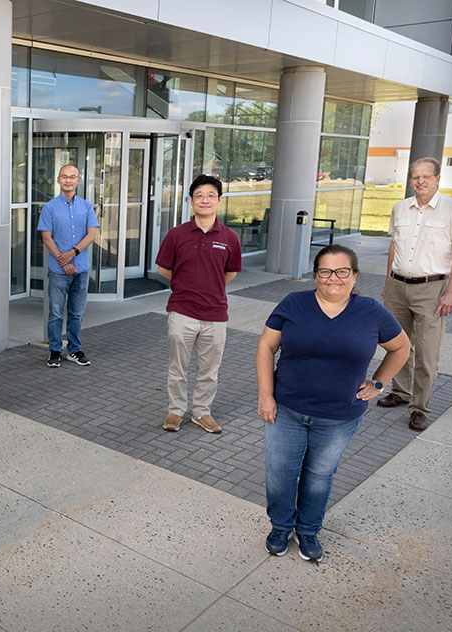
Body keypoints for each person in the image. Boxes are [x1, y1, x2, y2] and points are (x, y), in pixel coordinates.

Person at [256, 244, 409, 562]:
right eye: (325, 271)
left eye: (342, 271)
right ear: (316, 275)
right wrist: (266, 396)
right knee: (280, 472)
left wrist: (378, 383)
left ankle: (308, 531)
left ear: (355, 275)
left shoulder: (371, 311)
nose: (333, 278)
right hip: (286, 410)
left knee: (318, 476)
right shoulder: (294, 303)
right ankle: (281, 527)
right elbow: (266, 347)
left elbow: (401, 347)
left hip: (339, 416)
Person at [378, 157, 452, 431]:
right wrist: (388, 283)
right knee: (397, 344)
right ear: (410, 180)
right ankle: (400, 392)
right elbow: (393, 247)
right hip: (397, 287)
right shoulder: (400, 208)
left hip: (432, 288)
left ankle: (420, 407)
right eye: (415, 177)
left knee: (427, 352)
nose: (420, 181)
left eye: (426, 176)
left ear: (437, 178)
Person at [155, 174, 241, 434]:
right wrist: (184, 285)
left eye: (211, 196)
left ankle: (202, 412)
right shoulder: (177, 235)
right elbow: (163, 269)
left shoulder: (230, 238)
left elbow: (231, 273)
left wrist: (209, 287)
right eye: (199, 196)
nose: (205, 200)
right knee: (177, 367)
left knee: (209, 369)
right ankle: (175, 410)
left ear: (219, 201)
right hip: (182, 311)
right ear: (191, 201)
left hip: (215, 314)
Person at [38, 164, 99, 368]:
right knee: (55, 312)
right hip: (58, 271)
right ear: (58, 180)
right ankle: (55, 351)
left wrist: (72, 254)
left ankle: (74, 349)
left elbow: (92, 234)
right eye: (64, 176)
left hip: (80, 269)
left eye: (72, 177)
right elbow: (47, 238)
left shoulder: (86, 206)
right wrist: (63, 262)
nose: (68, 180)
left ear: (78, 180)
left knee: (77, 313)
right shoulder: (50, 208)